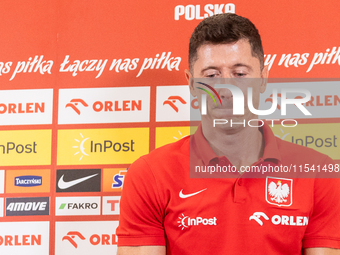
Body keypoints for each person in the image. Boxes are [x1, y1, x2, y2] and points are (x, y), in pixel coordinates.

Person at [117, 13, 340, 255]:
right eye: (212, 75)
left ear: (263, 78)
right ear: (191, 84)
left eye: (240, 73)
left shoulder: (317, 172)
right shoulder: (150, 174)